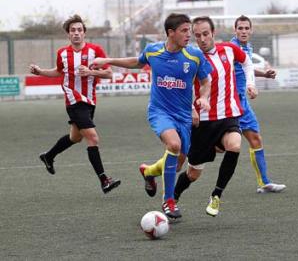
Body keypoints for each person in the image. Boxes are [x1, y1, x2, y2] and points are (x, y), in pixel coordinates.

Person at [92, 13, 212, 220]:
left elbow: (206, 82)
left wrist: (204, 99)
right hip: (159, 112)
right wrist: (108, 60)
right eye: (184, 31)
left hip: (184, 116)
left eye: (189, 31)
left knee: (179, 162)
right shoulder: (153, 51)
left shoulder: (194, 56)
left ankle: (148, 172)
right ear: (170, 33)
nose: (189, 35)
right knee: (173, 146)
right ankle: (169, 200)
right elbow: (136, 62)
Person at [173, 16, 257, 217]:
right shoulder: (190, 58)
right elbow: (181, 88)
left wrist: (250, 84)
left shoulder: (229, 49)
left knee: (235, 145)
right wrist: (191, 108)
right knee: (193, 173)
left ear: (213, 33)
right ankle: (173, 197)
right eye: (197, 35)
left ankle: (216, 195)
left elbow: (247, 63)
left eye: (205, 34)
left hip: (229, 115)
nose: (202, 39)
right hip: (202, 122)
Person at [29, 14, 121, 194]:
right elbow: (57, 72)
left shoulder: (95, 50)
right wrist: (40, 71)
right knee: (92, 138)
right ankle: (104, 180)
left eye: (79, 30)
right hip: (73, 100)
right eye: (73, 30)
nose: (76, 33)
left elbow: (109, 73)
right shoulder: (62, 53)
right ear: (68, 34)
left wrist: (90, 72)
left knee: (75, 137)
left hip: (89, 101)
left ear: (84, 33)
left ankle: (48, 156)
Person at [230, 15, 286, 193]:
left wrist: (264, 74)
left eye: (247, 28)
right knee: (217, 148)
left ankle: (264, 182)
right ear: (235, 30)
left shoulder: (247, 47)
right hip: (230, 103)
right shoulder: (231, 49)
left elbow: (246, 68)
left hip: (242, 102)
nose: (244, 31)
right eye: (241, 28)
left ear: (251, 30)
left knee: (256, 139)